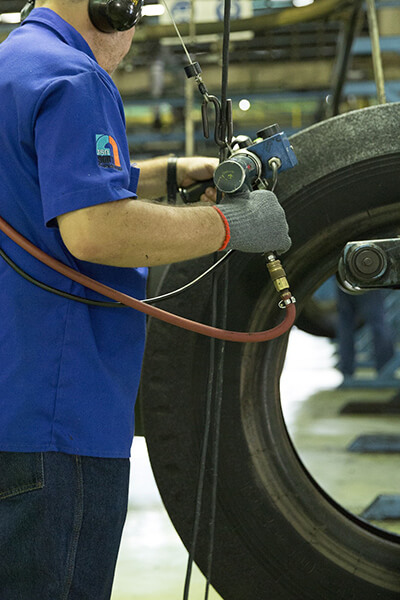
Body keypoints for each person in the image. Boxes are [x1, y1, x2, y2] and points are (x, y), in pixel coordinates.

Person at [0, 1, 291, 598]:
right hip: (58, 423)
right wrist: (230, 225)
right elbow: (95, 228)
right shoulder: (75, 76)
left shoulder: (14, 64)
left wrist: (167, 173)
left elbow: (47, 185)